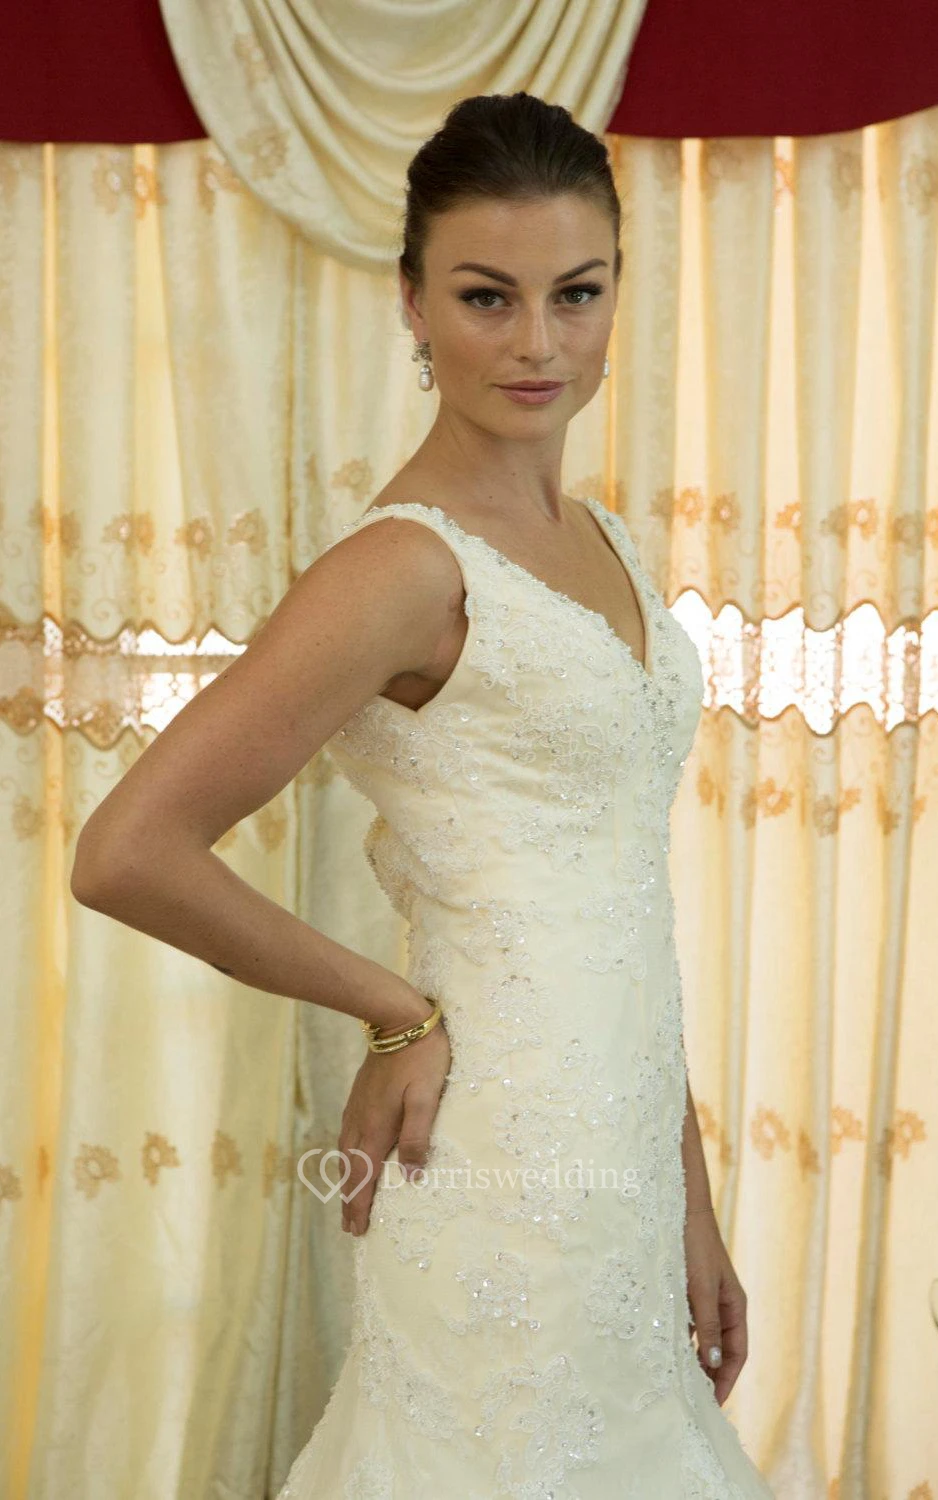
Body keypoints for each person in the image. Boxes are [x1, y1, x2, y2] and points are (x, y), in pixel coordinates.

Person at [72, 90, 775, 1498]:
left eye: (576, 294)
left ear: (616, 293)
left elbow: (617, 913)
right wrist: (394, 1006)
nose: (537, 343)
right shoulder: (401, 568)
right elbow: (126, 849)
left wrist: (688, 1206)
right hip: (495, 1153)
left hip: (623, 1160)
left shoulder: (605, 546)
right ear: (411, 303)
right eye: (485, 296)